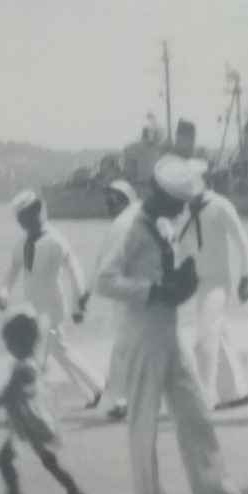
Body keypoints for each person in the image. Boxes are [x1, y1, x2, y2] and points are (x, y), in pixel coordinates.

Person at [95, 155, 248, 494]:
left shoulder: (159, 221)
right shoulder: (126, 228)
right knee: (143, 422)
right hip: (141, 332)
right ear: (159, 194)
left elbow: (160, 266)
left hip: (168, 327)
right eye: (177, 205)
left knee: (193, 410)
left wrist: (181, 276)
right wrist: (155, 289)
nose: (180, 212)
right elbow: (104, 281)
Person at [0, 312, 88, 494]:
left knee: (41, 461)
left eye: (8, 342)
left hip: (32, 424)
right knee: (19, 459)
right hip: (29, 422)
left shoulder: (22, 368)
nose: (6, 347)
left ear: (17, 343)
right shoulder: (32, 362)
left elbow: (5, 394)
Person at [0, 190, 105, 409]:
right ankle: (92, 390)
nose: (23, 222)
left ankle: (97, 385)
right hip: (33, 305)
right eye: (19, 218)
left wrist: (78, 305)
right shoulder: (23, 242)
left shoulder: (55, 241)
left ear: (37, 211)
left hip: (52, 303)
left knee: (55, 350)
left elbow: (75, 271)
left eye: (26, 216)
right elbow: (13, 270)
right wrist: (4, 292)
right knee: (59, 351)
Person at [178, 160, 248, 410]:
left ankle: (206, 398)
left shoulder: (220, 206)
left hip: (218, 283)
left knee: (203, 342)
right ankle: (236, 392)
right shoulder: (187, 213)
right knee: (218, 336)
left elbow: (242, 240)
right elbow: (184, 248)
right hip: (198, 285)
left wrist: (246, 277)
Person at [95, 180, 140, 422]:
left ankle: (120, 400)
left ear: (125, 201)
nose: (108, 206)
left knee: (122, 346)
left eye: (112, 201)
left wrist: (84, 297)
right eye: (107, 201)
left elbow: (104, 264)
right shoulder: (140, 218)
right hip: (140, 292)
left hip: (125, 294)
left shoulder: (120, 225)